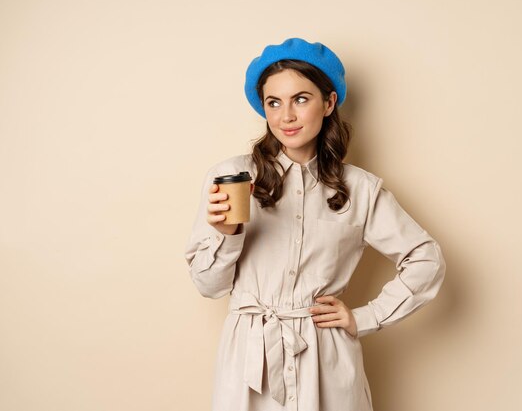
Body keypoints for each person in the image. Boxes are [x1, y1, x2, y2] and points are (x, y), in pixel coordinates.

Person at [185, 37, 445, 411]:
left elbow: (426, 258)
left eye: (300, 99)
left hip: (325, 358)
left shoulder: (360, 189)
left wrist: (366, 317)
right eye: (273, 102)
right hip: (248, 362)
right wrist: (228, 235)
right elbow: (208, 286)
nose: (285, 116)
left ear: (329, 102)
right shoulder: (232, 176)